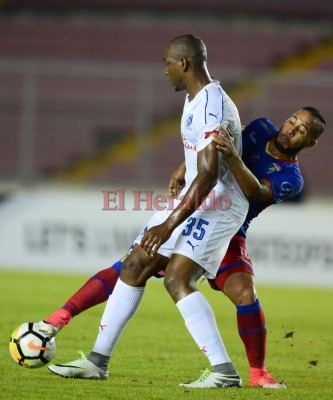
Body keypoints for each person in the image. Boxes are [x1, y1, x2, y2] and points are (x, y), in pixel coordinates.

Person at [41, 34, 249, 388]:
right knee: (136, 263)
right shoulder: (195, 97)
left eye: (168, 63)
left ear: (184, 63)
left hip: (219, 203)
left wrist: (168, 225)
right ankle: (97, 362)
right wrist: (185, 166)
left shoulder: (211, 105)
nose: (165, 71)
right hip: (199, 196)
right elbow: (204, 159)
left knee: (177, 278)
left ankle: (224, 372)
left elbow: (212, 175)